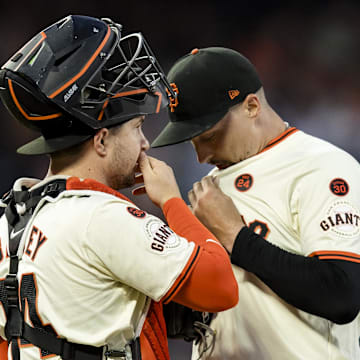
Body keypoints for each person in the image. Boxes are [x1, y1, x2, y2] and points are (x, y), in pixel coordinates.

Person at [0, 19, 239, 360]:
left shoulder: (10, 215)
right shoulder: (100, 215)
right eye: (137, 127)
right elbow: (221, 287)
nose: (144, 143)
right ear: (101, 140)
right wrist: (172, 201)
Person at [151, 47, 360, 359]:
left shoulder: (322, 167)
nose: (201, 157)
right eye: (192, 141)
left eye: (209, 137)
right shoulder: (210, 188)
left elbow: (341, 294)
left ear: (251, 106)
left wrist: (237, 238)